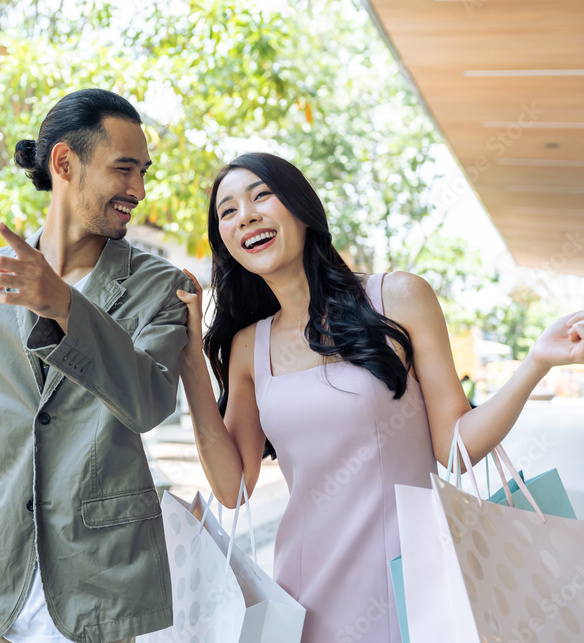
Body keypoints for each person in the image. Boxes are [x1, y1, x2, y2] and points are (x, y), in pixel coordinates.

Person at [174, 152, 584, 643]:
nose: (247, 215)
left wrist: (535, 363)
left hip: (415, 576)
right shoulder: (248, 347)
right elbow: (232, 487)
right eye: (228, 211)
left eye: (262, 195)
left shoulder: (399, 297)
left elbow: (456, 444)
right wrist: (191, 361)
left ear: (302, 208)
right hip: (305, 591)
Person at [0, 88, 195, 643]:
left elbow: (149, 403)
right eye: (124, 169)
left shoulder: (163, 287)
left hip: (101, 587)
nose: (138, 190)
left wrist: (63, 306)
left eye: (144, 172)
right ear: (65, 163)